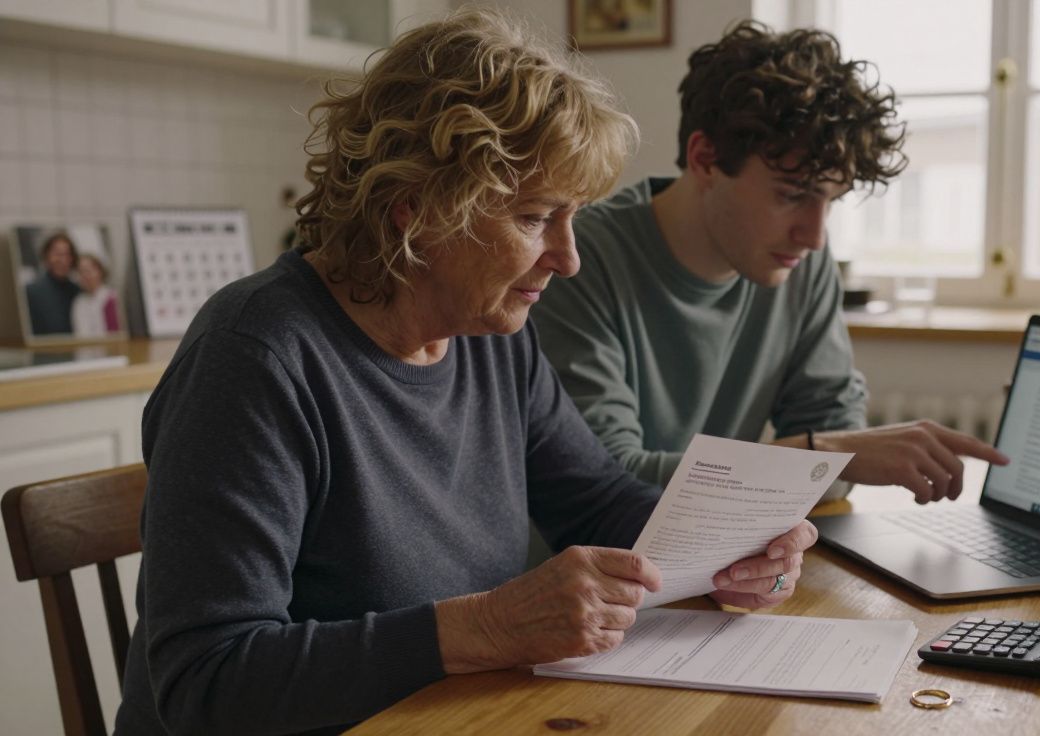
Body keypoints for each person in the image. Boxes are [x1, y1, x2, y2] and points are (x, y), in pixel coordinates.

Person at [114, 9, 816, 735]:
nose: (568, 258)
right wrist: (484, 627)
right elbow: (207, 682)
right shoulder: (256, 357)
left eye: (571, 217)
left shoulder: (487, 333)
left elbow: (595, 499)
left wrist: (730, 546)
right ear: (417, 209)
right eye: (537, 217)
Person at [534, 21, 1009, 505]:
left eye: (831, 200)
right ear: (705, 159)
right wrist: (820, 453)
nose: (815, 234)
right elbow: (609, 481)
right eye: (792, 195)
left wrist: (825, 455)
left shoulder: (801, 261)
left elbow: (837, 451)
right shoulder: (575, 260)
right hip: (585, 567)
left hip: (724, 554)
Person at [24, 232, 80, 335]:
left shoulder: (78, 291)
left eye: (67, 254)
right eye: (57, 254)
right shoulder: (31, 292)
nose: (62, 260)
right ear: (47, 256)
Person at [70, 253, 120, 337]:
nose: (85, 276)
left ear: (100, 271)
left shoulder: (111, 298)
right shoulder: (78, 302)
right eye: (81, 272)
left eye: (88, 271)